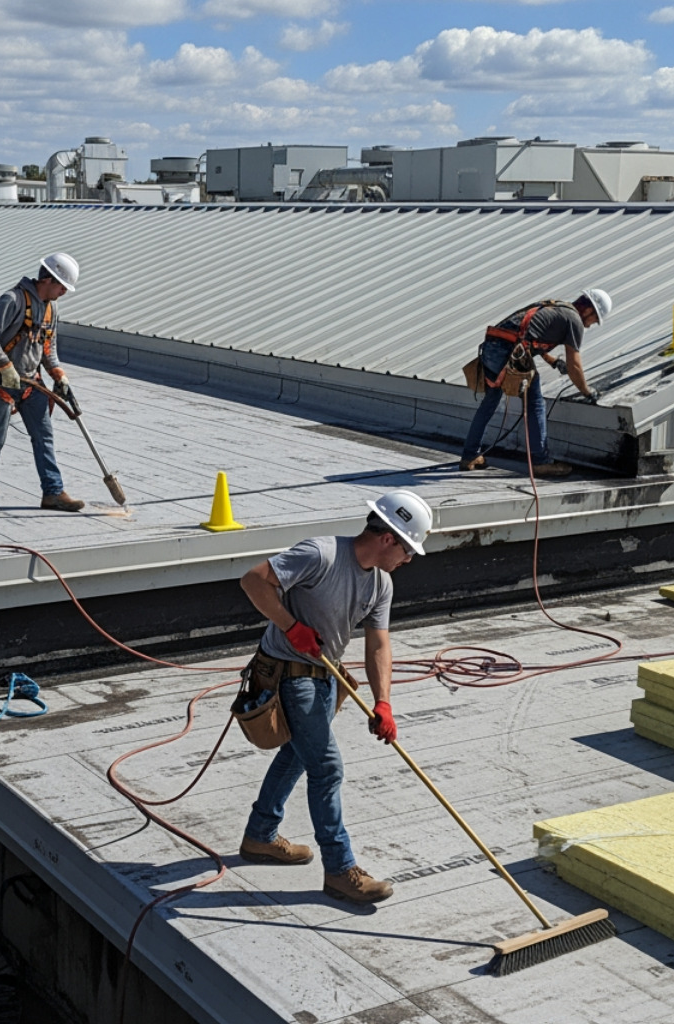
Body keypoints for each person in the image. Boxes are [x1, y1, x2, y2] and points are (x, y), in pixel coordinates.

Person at [236, 489, 433, 904]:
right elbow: (253, 580)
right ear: (387, 538)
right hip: (289, 675)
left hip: (327, 677)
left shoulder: (381, 584)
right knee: (325, 767)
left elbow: (378, 644)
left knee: (297, 755)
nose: (410, 559)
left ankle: (259, 835)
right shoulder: (321, 555)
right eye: (408, 548)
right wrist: (292, 627)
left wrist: (383, 703)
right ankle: (341, 870)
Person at [0, 253, 84, 513]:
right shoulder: (13, 300)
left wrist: (57, 372)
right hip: (2, 382)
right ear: (48, 279)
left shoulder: (51, 307)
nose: (64, 292)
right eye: (62, 286)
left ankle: (53, 493)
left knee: (44, 437)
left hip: (32, 384)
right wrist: (4, 365)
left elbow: (48, 346)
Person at [459, 287, 613, 478]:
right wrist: (587, 392)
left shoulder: (557, 308)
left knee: (490, 401)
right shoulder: (574, 321)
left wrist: (553, 361)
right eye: (595, 319)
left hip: (492, 348)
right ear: (589, 310)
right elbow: (575, 365)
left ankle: (470, 455)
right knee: (536, 403)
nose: (590, 325)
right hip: (507, 352)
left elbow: (528, 336)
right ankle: (541, 462)